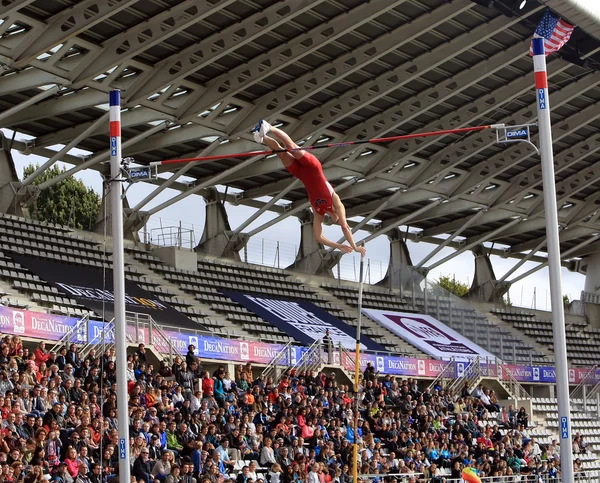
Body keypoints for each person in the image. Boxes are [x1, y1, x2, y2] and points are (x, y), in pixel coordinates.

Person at [253, 120, 366, 256]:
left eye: (334, 221)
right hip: (313, 168)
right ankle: (268, 126)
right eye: (338, 220)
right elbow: (345, 226)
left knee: (281, 153)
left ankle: (262, 136)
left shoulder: (318, 212)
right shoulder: (337, 203)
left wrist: (338, 245)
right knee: (291, 147)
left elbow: (318, 237)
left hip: (302, 174)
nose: (337, 221)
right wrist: (355, 246)